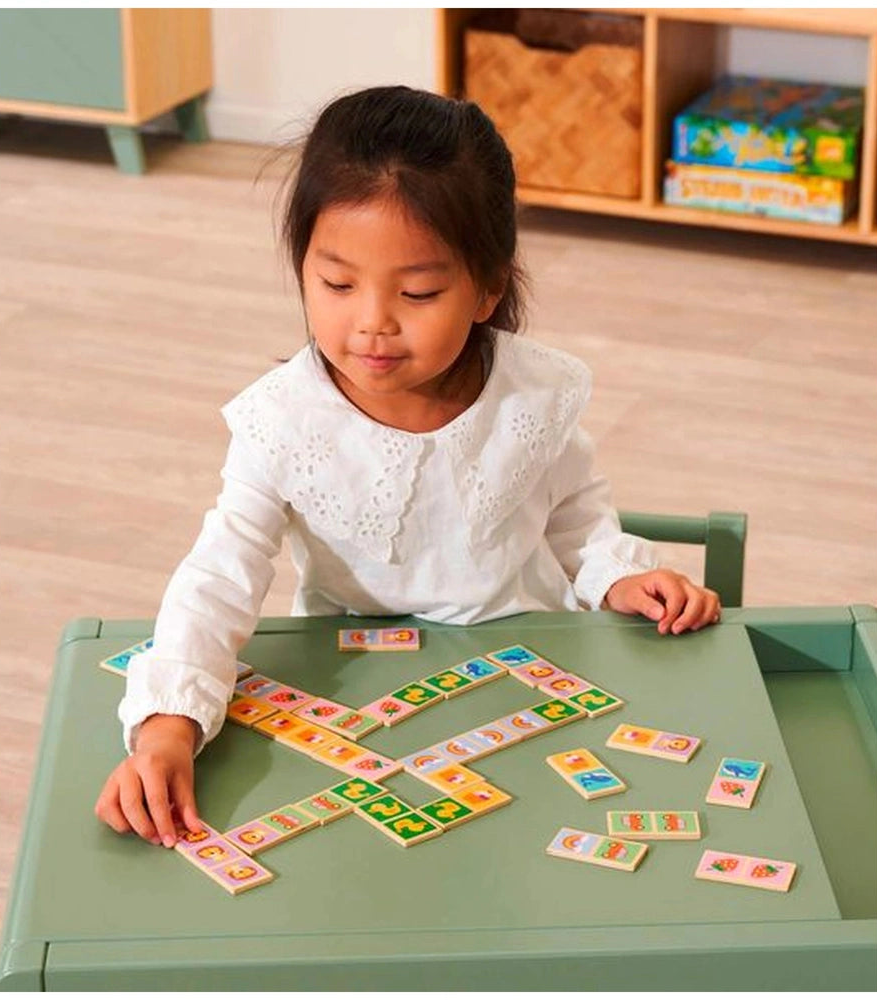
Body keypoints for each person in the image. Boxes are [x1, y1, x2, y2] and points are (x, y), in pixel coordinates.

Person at [95, 85, 721, 848]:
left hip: (528, 671)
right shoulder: (281, 422)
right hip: (355, 692)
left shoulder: (534, 394)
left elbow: (576, 516)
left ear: (489, 286)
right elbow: (219, 573)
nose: (372, 323)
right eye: (336, 284)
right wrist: (167, 727)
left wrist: (617, 574)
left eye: (418, 291)